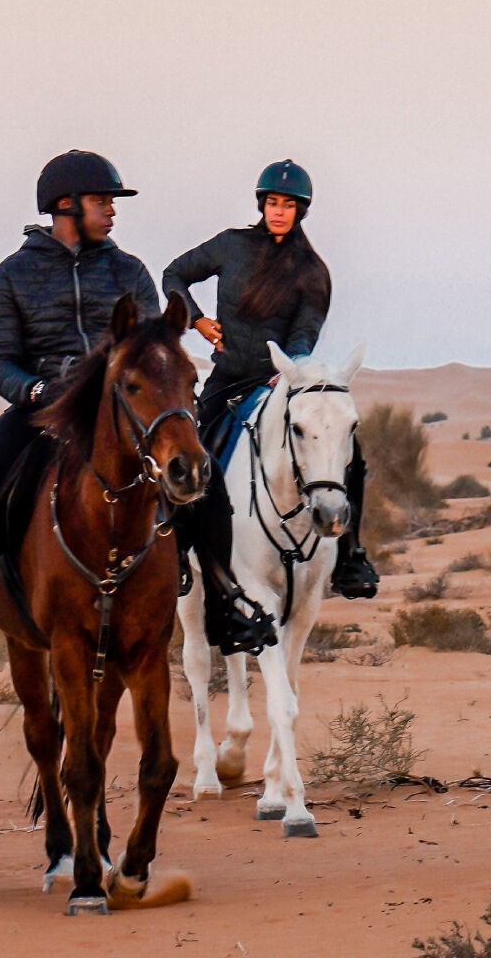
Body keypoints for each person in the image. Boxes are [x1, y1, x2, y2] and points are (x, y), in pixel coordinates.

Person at [0, 150, 274, 655]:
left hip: (125, 413)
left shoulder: (129, 272)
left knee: (206, 477)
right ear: (64, 205)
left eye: (111, 202)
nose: (112, 211)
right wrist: (39, 392)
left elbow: (156, 350)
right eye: (101, 201)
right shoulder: (11, 277)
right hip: (45, 410)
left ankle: (225, 599)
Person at [161, 160, 380, 645]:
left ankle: (351, 555)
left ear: (302, 210)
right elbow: (174, 273)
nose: (279, 212)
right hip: (224, 380)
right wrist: (196, 320)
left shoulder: (312, 271)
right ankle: (178, 550)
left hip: (278, 383)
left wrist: (289, 379)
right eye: (273, 202)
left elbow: (303, 339)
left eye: (289, 205)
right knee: (189, 456)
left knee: (351, 452)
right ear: (262, 204)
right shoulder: (230, 246)